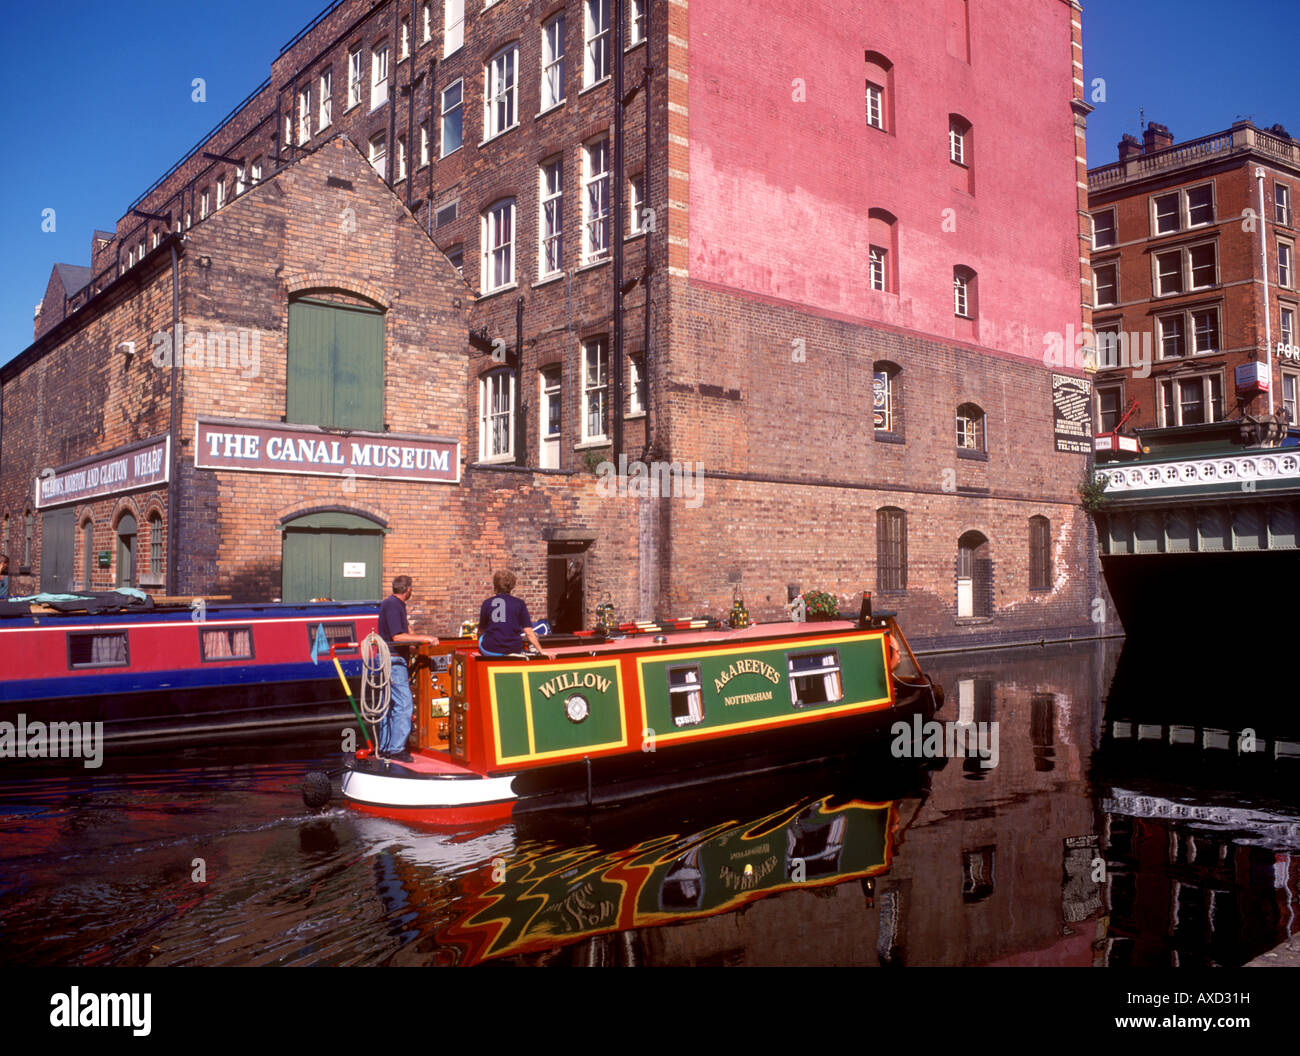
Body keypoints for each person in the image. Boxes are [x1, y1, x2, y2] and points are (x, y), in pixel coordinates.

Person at [376, 575, 437, 762]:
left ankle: (386, 746)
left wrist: (413, 643)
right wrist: (425, 638)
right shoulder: (394, 605)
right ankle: (396, 749)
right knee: (404, 704)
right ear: (408, 589)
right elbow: (397, 637)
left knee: (388, 704)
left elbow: (405, 634)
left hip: (389, 659)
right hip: (393, 661)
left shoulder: (392, 604)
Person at [479, 570, 553, 658]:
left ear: (495, 585)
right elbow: (528, 632)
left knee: (482, 637)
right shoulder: (519, 603)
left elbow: (481, 630)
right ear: (512, 585)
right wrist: (541, 651)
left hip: (491, 649)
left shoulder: (486, 603)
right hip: (513, 648)